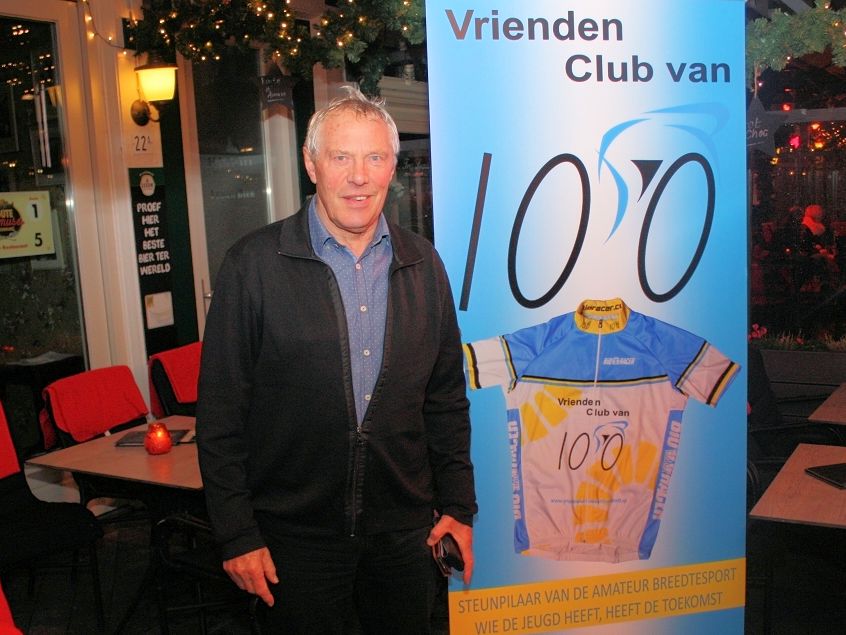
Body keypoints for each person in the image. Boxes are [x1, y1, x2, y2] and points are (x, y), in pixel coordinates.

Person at [196, 84, 477, 634]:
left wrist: (458, 508)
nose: (359, 176)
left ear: (392, 166)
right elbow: (221, 414)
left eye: (374, 158)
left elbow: (445, 401)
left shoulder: (424, 264)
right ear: (311, 164)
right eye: (341, 157)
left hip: (404, 536)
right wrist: (236, 533)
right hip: (293, 542)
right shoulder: (253, 266)